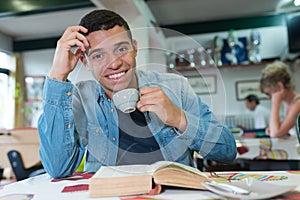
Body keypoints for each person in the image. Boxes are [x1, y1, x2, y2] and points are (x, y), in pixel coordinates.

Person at [38, 9, 237, 178]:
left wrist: (179, 119)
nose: (114, 63)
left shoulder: (176, 87)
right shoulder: (80, 98)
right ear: (85, 62)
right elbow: (58, 168)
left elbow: (227, 152)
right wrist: (58, 75)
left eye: (121, 49)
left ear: (134, 48)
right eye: (98, 55)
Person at [260, 60, 300, 138]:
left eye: (269, 93)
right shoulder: (289, 103)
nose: (269, 97)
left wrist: (275, 102)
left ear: (280, 86)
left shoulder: (298, 103)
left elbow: (275, 133)